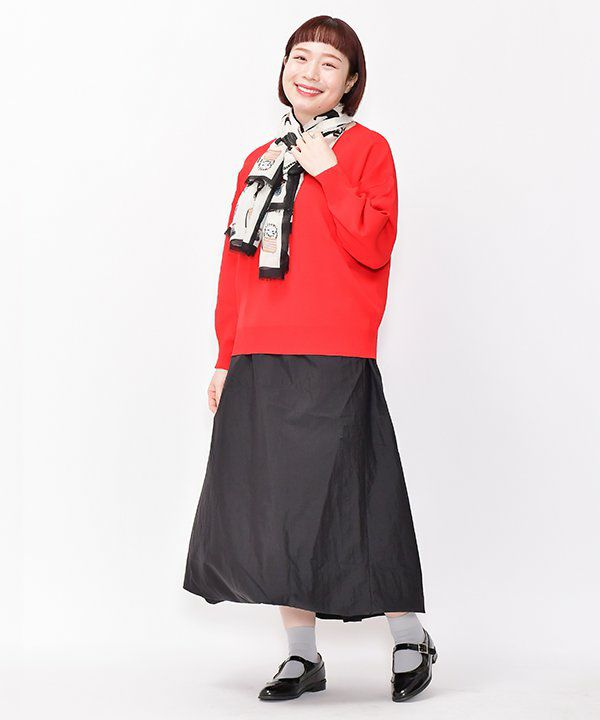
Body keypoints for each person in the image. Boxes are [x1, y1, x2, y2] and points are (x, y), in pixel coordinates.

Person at [183, 15, 437, 703]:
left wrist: (326, 170)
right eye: (301, 57)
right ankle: (302, 656)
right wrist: (225, 354)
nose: (311, 72)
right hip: (260, 350)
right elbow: (235, 266)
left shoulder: (367, 150)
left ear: (350, 83)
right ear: (284, 67)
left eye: (330, 63)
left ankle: (409, 634)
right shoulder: (259, 159)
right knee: (277, 507)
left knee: (361, 495)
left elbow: (373, 244)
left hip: (335, 347)